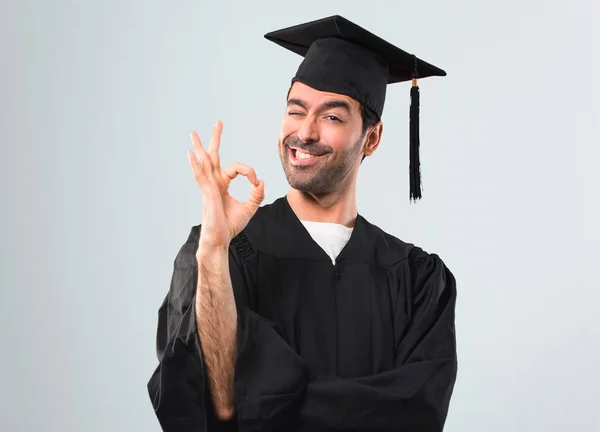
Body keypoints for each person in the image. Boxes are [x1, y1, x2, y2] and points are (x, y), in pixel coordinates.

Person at [147, 15, 458, 432]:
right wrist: (214, 253)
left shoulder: (418, 280)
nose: (305, 132)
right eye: (296, 111)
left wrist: (267, 401)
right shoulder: (221, 253)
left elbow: (417, 414)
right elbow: (204, 408)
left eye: (332, 117)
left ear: (372, 138)